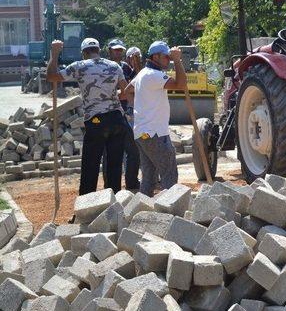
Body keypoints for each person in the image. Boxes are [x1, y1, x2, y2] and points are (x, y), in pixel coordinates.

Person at [46, 38, 128, 195]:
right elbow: (125, 91)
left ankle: (86, 205)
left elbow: (52, 76)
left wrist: (54, 54)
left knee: (91, 165)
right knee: (114, 165)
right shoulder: (114, 65)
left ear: (84, 52)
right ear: (98, 50)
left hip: (96, 120)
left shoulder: (79, 66)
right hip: (117, 118)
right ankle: (113, 204)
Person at [125, 41, 186, 196]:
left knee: (149, 177)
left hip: (142, 133)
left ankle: (143, 209)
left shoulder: (142, 74)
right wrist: (178, 60)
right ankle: (171, 210)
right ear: (156, 56)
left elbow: (127, 90)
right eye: (166, 57)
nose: (169, 60)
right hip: (155, 134)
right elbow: (181, 84)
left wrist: (138, 108)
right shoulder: (154, 75)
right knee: (169, 174)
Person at [105, 38, 140, 191]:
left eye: (120, 50)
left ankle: (131, 183)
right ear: (109, 51)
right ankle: (110, 188)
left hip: (125, 113)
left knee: (133, 150)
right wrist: (121, 94)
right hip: (109, 113)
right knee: (109, 153)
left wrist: (137, 64)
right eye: (115, 50)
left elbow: (137, 82)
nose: (118, 52)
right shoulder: (104, 68)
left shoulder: (125, 67)